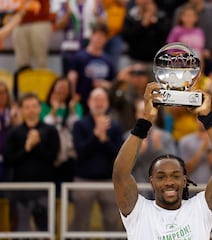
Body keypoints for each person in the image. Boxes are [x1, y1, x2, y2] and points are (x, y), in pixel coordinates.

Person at [112, 82, 212, 239]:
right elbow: (120, 174)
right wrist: (146, 119)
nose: (169, 181)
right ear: (151, 181)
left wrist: (208, 118)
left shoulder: (199, 208)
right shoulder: (138, 211)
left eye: (175, 176)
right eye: (161, 176)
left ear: (184, 180)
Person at [3, 93, 60, 231]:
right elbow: (9, 159)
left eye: (34, 106)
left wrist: (37, 145)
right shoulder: (14, 133)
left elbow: (54, 157)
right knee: (20, 229)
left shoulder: (50, 131)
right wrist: (26, 148)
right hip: (20, 189)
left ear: (40, 108)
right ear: (22, 110)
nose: (31, 110)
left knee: (45, 229)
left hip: (45, 189)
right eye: (27, 107)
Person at [71, 87, 123, 232]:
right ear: (88, 102)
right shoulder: (79, 125)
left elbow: (118, 154)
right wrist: (95, 135)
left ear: (107, 103)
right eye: (96, 99)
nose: (99, 103)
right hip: (83, 180)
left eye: (102, 100)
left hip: (108, 180)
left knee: (112, 221)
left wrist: (104, 139)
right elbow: (80, 152)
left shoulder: (115, 126)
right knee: (81, 222)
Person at [40, 77, 83, 195]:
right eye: (59, 88)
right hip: (50, 151)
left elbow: (77, 126)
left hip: (69, 153)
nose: (62, 92)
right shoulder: (44, 106)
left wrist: (72, 109)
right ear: (53, 89)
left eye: (65, 89)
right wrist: (54, 109)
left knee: (67, 184)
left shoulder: (75, 106)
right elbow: (44, 126)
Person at [67, 22, 117, 113]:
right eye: (97, 36)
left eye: (103, 37)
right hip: (82, 104)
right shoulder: (78, 58)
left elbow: (114, 84)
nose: (99, 39)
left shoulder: (109, 61)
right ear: (91, 36)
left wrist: (104, 84)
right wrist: (73, 96)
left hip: (102, 105)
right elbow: (71, 78)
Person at [12, 0, 53, 68]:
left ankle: (42, 78)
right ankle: (23, 77)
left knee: (40, 59)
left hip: (39, 20)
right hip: (19, 22)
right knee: (22, 61)